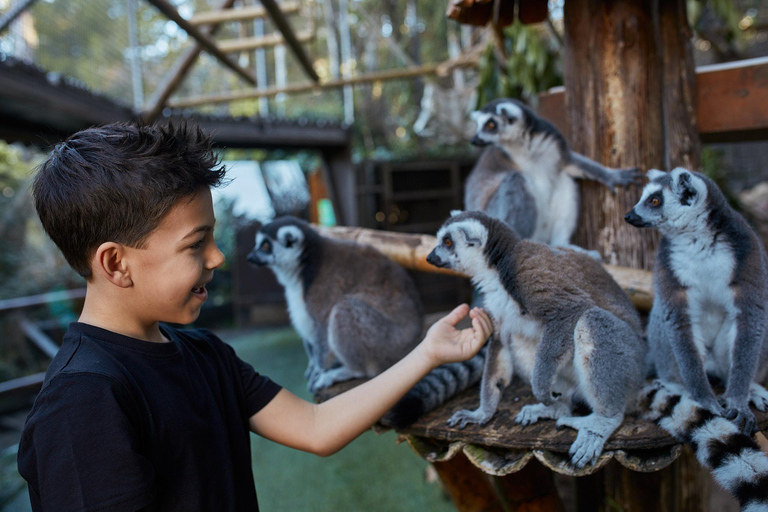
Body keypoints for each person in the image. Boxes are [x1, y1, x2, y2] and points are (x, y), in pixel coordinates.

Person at [17, 122, 493, 512]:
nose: (218, 257)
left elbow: (315, 426)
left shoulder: (206, 355)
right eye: (195, 244)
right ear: (116, 264)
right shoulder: (82, 401)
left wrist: (429, 353)